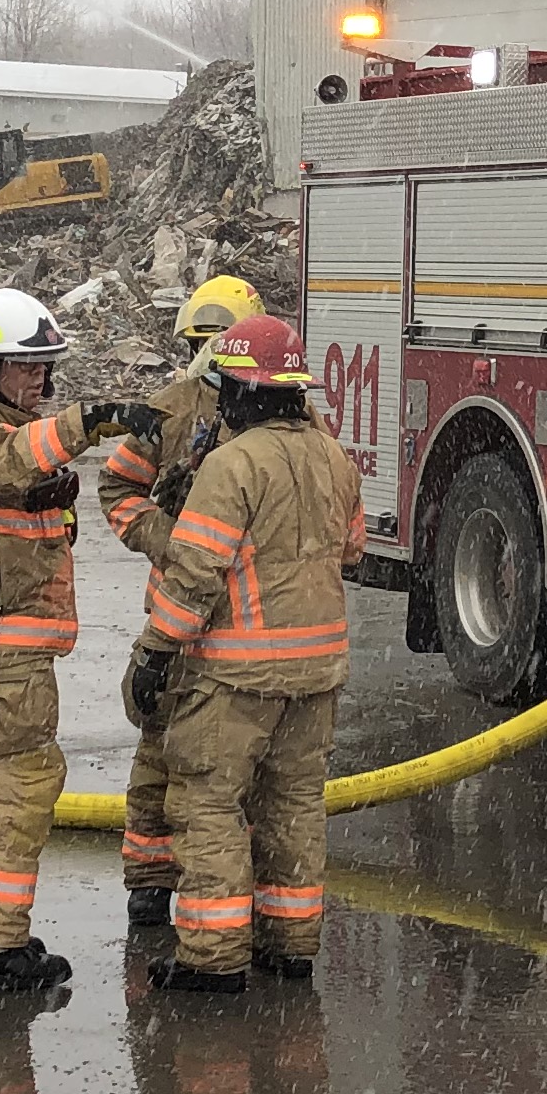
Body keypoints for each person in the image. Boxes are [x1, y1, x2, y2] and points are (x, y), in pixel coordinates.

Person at [0, 287, 149, 994]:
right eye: (23, 367)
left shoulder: (1, 432)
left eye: (45, 367)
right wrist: (89, 422)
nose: (38, 381)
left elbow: (11, 486)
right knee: (24, 780)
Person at [116, 313, 361, 994]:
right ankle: (289, 944)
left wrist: (156, 652)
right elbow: (352, 550)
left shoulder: (232, 465)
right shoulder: (335, 458)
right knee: (293, 805)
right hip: (318, 673)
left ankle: (214, 954)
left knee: (208, 803)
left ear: (246, 392)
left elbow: (194, 573)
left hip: (237, 673)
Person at [95, 274, 263, 942]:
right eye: (201, 344)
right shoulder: (171, 409)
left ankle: (227, 899)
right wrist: (165, 541)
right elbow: (117, 486)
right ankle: (151, 889)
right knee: (160, 757)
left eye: (220, 343)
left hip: (245, 624)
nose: (209, 357)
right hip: (178, 619)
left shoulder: (280, 414)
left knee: (229, 771)